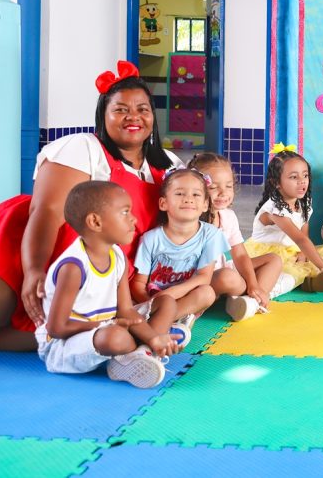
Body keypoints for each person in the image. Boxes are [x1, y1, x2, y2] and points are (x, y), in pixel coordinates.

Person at [0, 61, 181, 350]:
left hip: (102, 279)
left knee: (45, 340)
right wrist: (34, 270)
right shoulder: (83, 148)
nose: (133, 117)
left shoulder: (169, 166)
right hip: (36, 255)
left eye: (142, 109)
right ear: (103, 116)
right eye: (120, 109)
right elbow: (47, 211)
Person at [37, 181, 182, 388]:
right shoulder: (73, 267)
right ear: (95, 222)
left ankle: (144, 351)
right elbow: (57, 328)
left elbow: (126, 311)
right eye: (125, 212)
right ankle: (134, 354)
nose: (133, 219)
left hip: (109, 325)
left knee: (166, 302)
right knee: (116, 337)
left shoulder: (117, 256)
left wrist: (154, 338)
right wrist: (107, 325)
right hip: (65, 345)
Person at [188, 152, 294, 321]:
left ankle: (253, 298)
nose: (223, 193)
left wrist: (253, 284)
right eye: (213, 187)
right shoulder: (189, 219)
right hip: (203, 281)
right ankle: (249, 297)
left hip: (224, 271)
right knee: (227, 277)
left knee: (273, 260)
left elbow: (240, 255)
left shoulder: (227, 216)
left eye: (229, 186)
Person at [131, 169, 228, 342]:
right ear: (163, 203)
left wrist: (171, 294)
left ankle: (162, 322)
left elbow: (204, 277)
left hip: (187, 297)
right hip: (155, 299)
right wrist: (152, 303)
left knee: (207, 293)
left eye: (196, 194)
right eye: (179, 193)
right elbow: (138, 283)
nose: (188, 199)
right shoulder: (150, 238)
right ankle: (166, 324)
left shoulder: (211, 234)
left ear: (205, 204)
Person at [244, 147, 323, 292]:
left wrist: (303, 253)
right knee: (286, 273)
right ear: (276, 183)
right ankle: (302, 281)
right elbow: (300, 239)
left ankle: (313, 279)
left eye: (305, 175)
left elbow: (304, 232)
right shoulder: (275, 209)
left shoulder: (303, 203)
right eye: (294, 177)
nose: (302, 181)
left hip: (291, 250)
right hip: (268, 255)